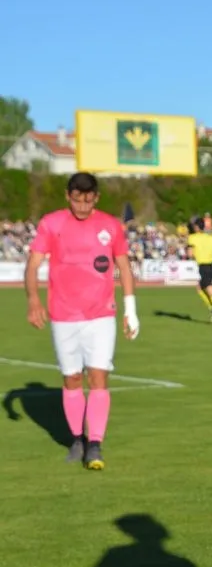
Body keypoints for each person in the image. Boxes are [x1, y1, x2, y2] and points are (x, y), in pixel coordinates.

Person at [25, 172, 140, 470]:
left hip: (101, 315)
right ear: (68, 196)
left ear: (96, 198)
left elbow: (124, 266)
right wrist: (33, 300)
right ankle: (77, 439)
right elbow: (33, 264)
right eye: (77, 200)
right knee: (72, 378)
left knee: (99, 377)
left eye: (88, 201)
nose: (83, 207)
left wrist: (130, 309)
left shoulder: (110, 226)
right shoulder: (51, 224)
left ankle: (96, 445)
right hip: (63, 315)